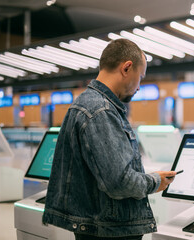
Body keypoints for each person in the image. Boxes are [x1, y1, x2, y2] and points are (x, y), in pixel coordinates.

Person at [42, 38, 177, 240]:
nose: (139, 86)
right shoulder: (100, 111)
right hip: (108, 231)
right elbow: (118, 182)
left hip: (97, 227)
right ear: (127, 68)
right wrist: (154, 181)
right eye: (140, 77)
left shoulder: (84, 104)